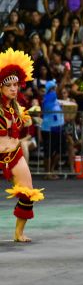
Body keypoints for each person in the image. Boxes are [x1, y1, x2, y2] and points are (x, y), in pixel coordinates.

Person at [0, 49, 42, 242]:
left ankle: (18, 233)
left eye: (16, 84)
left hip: (14, 154)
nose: (14, 89)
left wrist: (27, 119)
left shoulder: (17, 107)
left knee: (28, 190)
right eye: (9, 85)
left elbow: (23, 125)